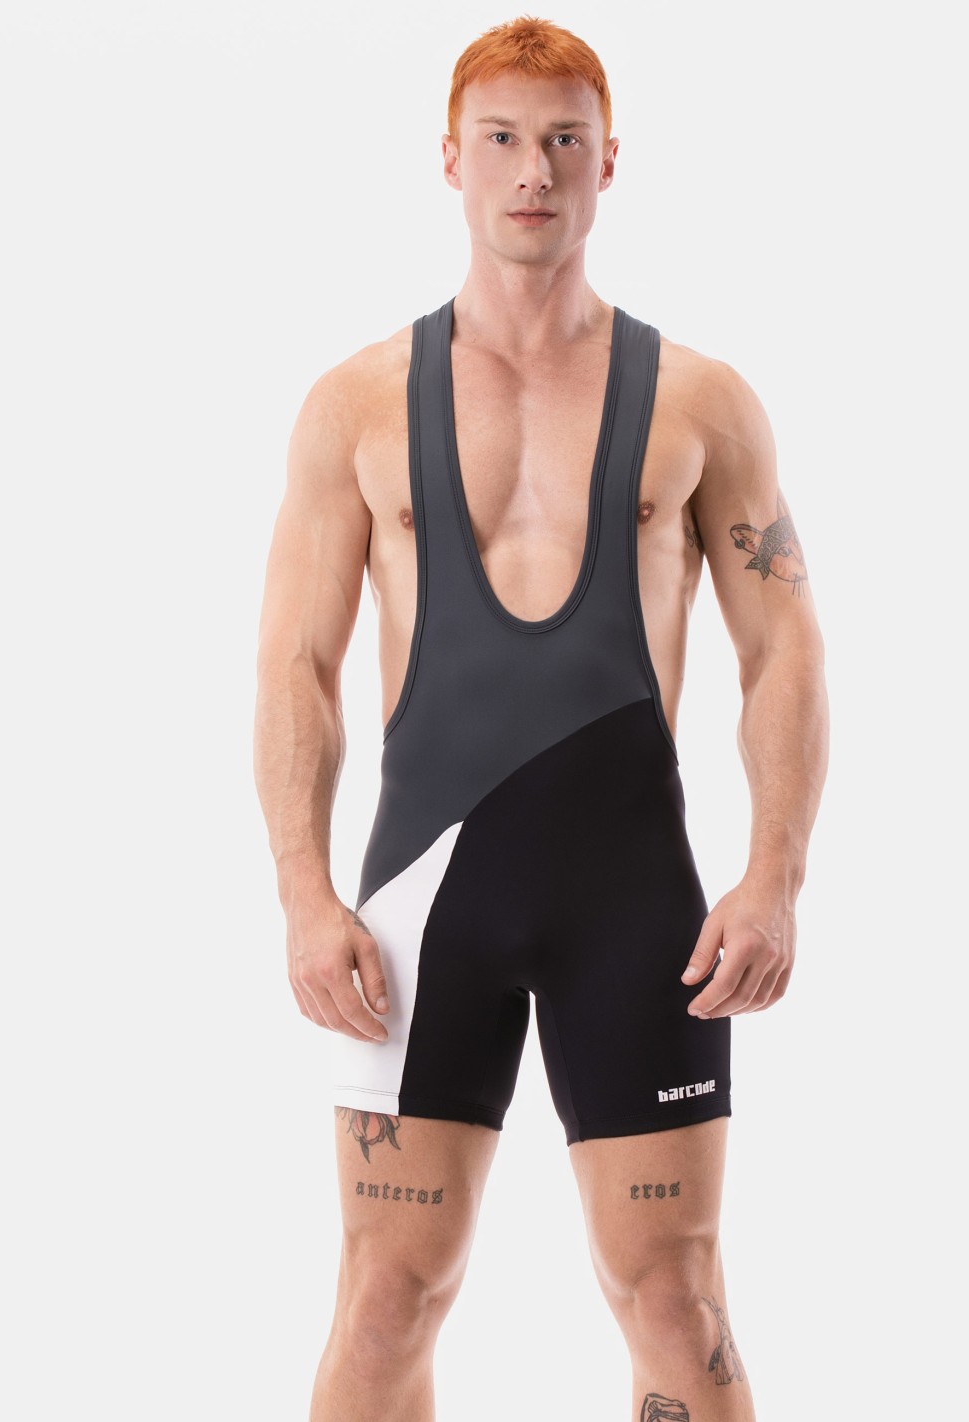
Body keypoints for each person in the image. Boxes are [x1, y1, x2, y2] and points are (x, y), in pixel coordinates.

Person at [253, 15, 828, 1422]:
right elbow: (295, 666)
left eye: (565, 140)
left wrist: (774, 875)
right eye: (502, 140)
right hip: (418, 913)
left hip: (636, 907)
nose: (533, 171)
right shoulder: (354, 404)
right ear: (449, 159)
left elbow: (783, 649)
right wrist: (304, 894)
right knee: (384, 1301)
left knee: (676, 1303)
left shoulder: (701, 401)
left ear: (608, 161)